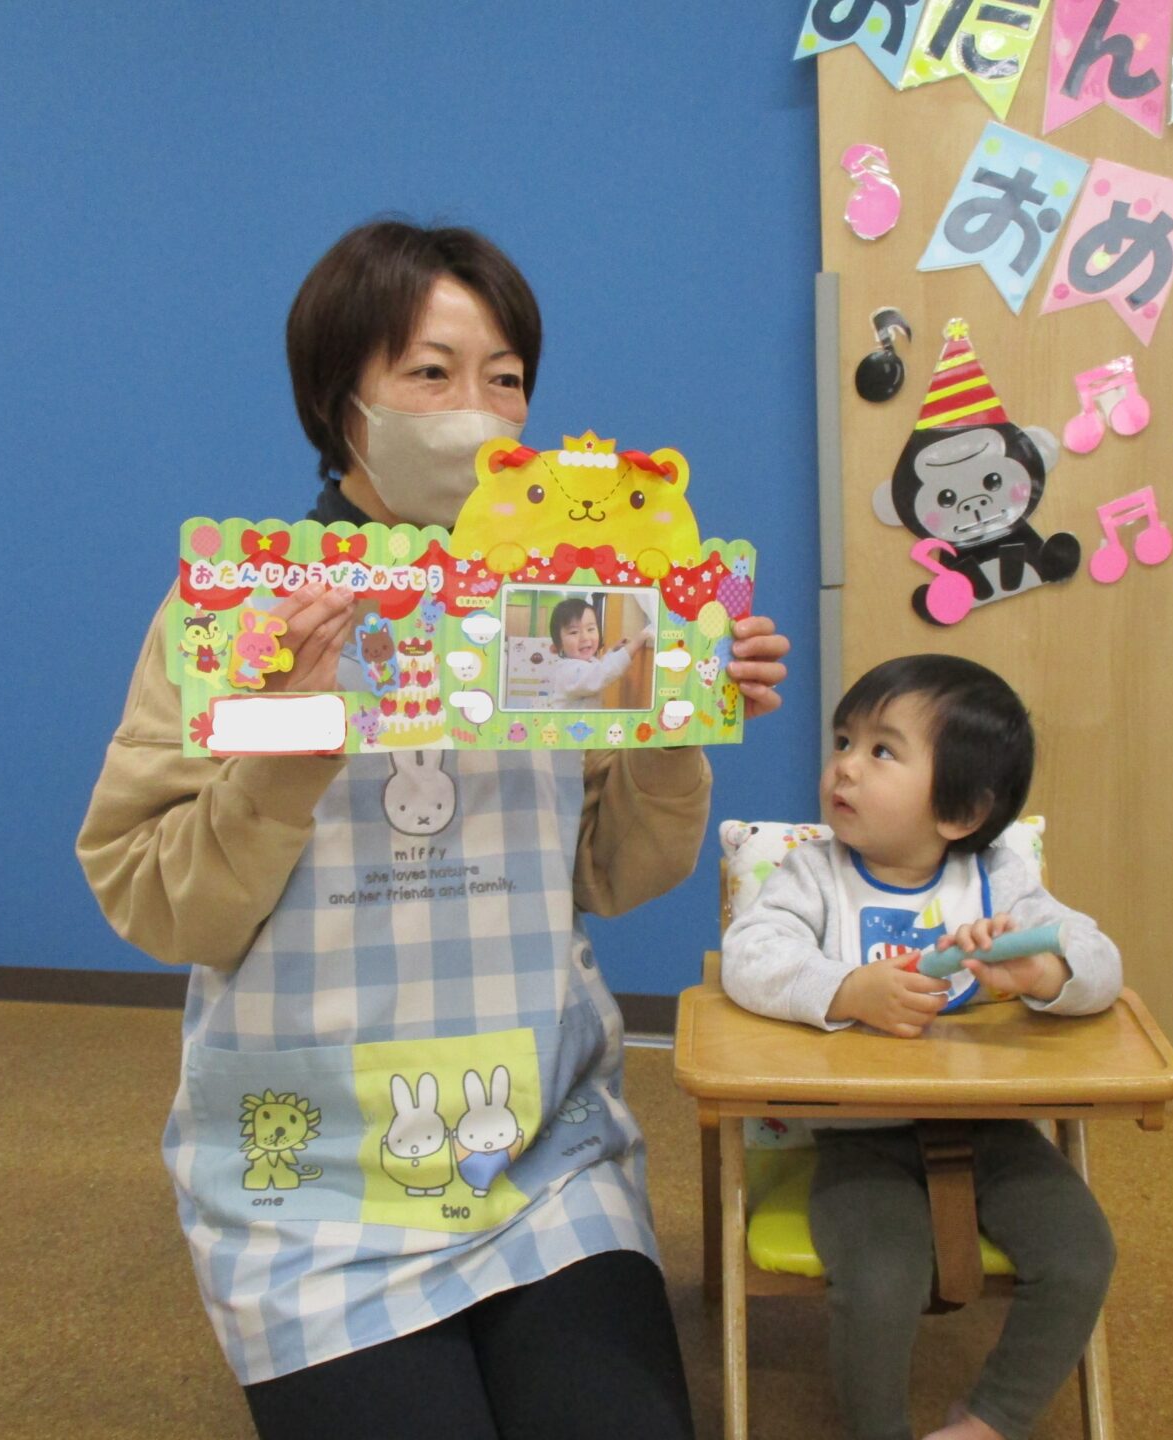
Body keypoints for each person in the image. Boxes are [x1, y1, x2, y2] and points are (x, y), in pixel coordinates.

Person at [76, 219, 790, 1440]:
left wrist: (674, 718)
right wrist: (288, 745)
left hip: (540, 1146)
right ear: (340, 401)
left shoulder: (565, 609)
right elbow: (154, 899)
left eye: (504, 378)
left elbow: (616, 873)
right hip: (309, 1171)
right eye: (430, 373)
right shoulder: (244, 614)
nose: (476, 411)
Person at [720, 655, 1119, 1440]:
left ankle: (991, 1420)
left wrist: (1046, 972)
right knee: (880, 1279)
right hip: (858, 1136)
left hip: (995, 1129)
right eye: (844, 741)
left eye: (882, 750)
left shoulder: (999, 879)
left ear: (963, 810)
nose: (845, 765)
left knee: (1082, 1255)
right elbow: (750, 957)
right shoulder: (813, 874)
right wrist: (845, 989)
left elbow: (1101, 962)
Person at [544, 595, 652, 710]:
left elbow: (598, 666)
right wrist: (635, 643)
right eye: (574, 632)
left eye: (590, 629)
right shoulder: (567, 671)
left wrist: (613, 651)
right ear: (559, 644)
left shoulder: (586, 662)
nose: (585, 637)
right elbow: (601, 673)